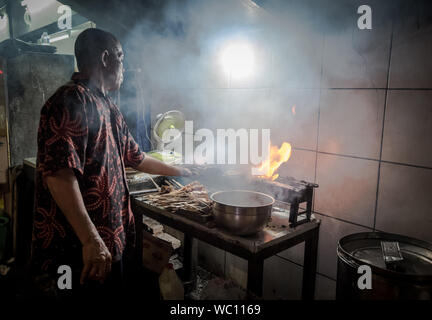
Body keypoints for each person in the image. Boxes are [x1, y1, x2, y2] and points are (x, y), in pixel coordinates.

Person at [29, 28, 190, 300]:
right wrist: (90, 239)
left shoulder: (108, 106)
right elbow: (58, 174)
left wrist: (183, 171)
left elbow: (136, 156)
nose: (124, 67)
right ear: (105, 58)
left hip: (107, 242)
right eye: (121, 58)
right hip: (76, 247)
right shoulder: (70, 100)